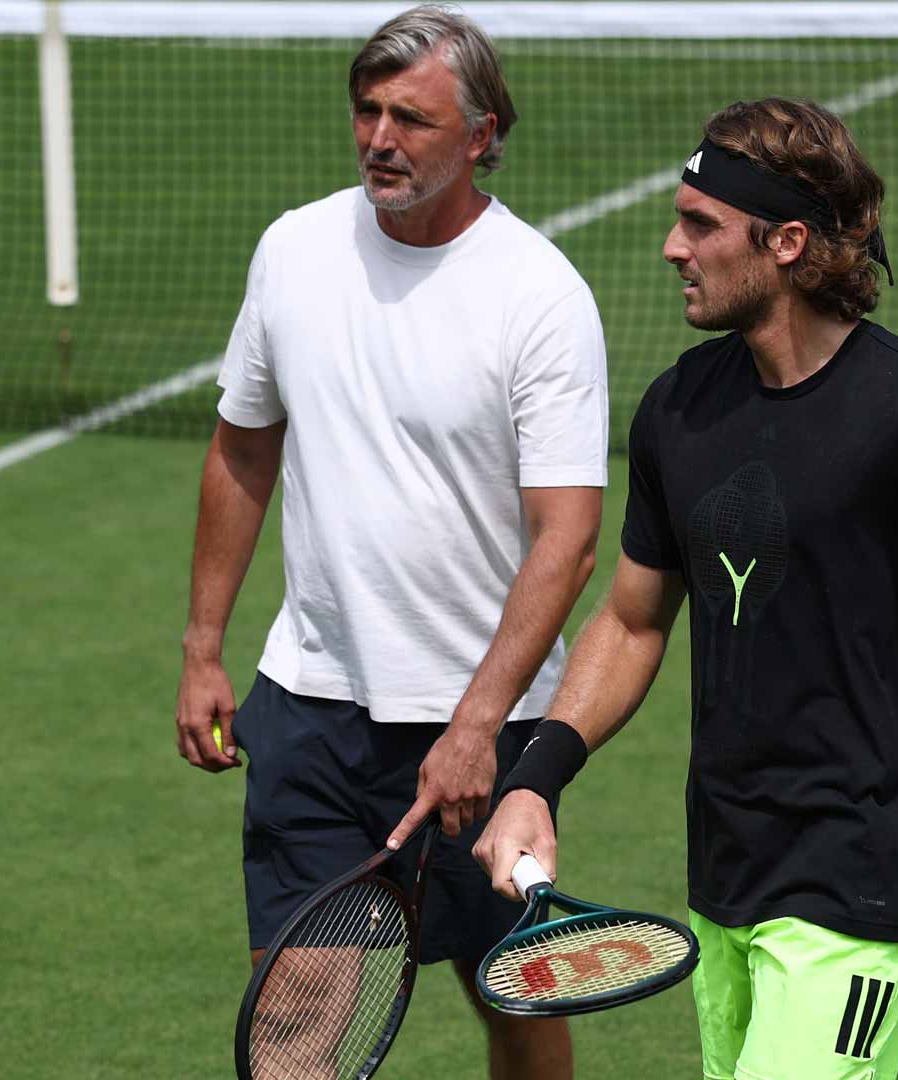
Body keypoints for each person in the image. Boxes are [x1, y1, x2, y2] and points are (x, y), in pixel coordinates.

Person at [473, 98, 898, 1080]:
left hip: (860, 887)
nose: (674, 247)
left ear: (788, 242)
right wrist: (535, 779)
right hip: (724, 876)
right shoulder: (681, 408)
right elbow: (631, 621)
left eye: (701, 225)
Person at [173, 7, 606, 1078]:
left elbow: (570, 539)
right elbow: (241, 451)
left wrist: (477, 724)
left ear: (481, 134)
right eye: (367, 111)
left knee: (516, 1003)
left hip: (480, 731)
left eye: (411, 117)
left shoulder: (539, 296)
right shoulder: (293, 250)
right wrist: (202, 644)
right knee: (295, 1018)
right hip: (310, 707)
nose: (379, 137)